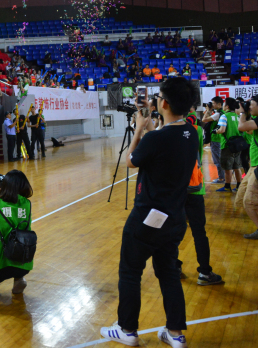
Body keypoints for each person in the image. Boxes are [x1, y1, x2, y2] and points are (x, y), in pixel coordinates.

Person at [100, 77, 199, 348]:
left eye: (159, 98)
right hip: (175, 218)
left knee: (130, 271)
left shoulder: (156, 138)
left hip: (147, 218)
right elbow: (161, 145)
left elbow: (131, 161)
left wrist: (138, 130)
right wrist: (149, 124)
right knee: (168, 272)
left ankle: (127, 329)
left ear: (164, 103)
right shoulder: (191, 133)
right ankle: (175, 333)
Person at [175, 112, 224, 285]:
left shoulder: (167, 129)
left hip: (175, 190)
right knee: (199, 232)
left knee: (174, 231)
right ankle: (205, 272)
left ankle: (174, 266)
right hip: (195, 187)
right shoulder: (196, 127)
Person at [0, 170, 34, 306]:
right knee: (17, 267)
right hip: (23, 259)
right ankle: (19, 279)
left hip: (1, 260)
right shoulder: (27, 204)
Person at [236, 93, 258, 247]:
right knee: (244, 199)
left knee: (252, 201)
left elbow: (241, 127)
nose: (249, 107)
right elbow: (248, 131)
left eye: (252, 104)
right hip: (255, 164)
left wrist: (242, 114)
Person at [214, 98, 244, 192]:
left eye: (224, 104)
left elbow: (222, 130)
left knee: (228, 168)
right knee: (237, 167)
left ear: (227, 106)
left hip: (227, 146)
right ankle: (239, 186)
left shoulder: (224, 116)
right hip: (237, 145)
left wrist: (216, 131)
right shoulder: (238, 116)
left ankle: (227, 187)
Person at [202, 97, 226, 184]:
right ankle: (223, 177)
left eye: (213, 103)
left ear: (219, 104)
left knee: (217, 160)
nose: (212, 105)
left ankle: (221, 178)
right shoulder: (222, 113)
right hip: (220, 138)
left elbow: (204, 119)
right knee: (220, 158)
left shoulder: (218, 114)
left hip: (216, 139)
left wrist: (208, 110)